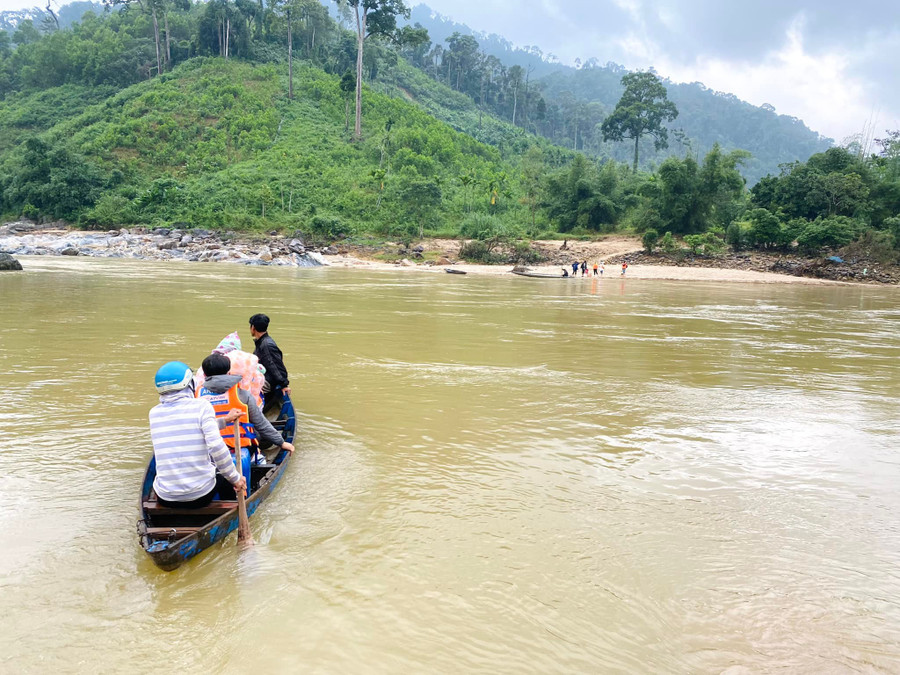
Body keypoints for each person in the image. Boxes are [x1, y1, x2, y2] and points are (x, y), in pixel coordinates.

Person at [149, 361, 246, 508]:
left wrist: (224, 421)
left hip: (165, 497)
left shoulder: (154, 413)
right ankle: (233, 510)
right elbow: (216, 447)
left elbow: (186, 428)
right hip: (200, 496)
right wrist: (236, 479)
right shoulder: (201, 406)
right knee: (225, 475)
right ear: (189, 385)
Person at [196, 353, 295, 468]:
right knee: (257, 443)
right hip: (239, 448)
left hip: (208, 452)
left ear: (204, 374)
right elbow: (260, 423)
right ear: (229, 373)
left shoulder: (196, 396)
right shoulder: (242, 394)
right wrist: (281, 442)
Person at [249, 313, 291, 398]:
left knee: (242, 387)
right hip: (263, 376)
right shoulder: (262, 342)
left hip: (267, 381)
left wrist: (284, 385)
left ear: (253, 328)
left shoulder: (266, 345)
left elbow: (275, 366)